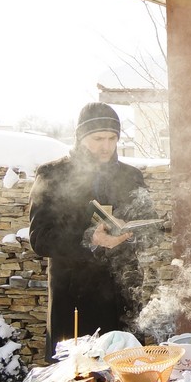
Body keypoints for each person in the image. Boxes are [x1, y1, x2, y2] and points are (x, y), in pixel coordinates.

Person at [29, 102, 159, 357]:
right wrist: (89, 239)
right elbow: (40, 238)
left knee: (128, 378)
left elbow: (149, 228)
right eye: (98, 138)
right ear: (80, 137)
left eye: (112, 138)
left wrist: (135, 231)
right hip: (75, 299)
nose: (106, 146)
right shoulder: (53, 174)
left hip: (122, 296)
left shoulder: (130, 176)